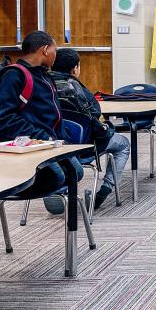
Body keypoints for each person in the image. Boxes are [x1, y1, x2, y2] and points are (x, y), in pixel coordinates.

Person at [0, 31, 83, 215]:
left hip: (50, 142)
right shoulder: (14, 76)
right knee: (58, 177)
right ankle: (52, 193)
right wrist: (41, 136)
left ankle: (56, 194)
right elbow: (1, 118)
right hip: (29, 146)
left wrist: (61, 140)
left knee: (76, 172)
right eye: (55, 49)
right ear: (45, 50)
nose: (56, 55)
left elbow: (53, 114)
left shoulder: (44, 75)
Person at [51, 48, 130, 211]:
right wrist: (107, 129)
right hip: (85, 147)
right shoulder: (75, 87)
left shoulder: (43, 84)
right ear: (75, 68)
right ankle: (106, 189)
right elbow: (94, 114)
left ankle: (58, 190)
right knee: (123, 144)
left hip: (52, 146)